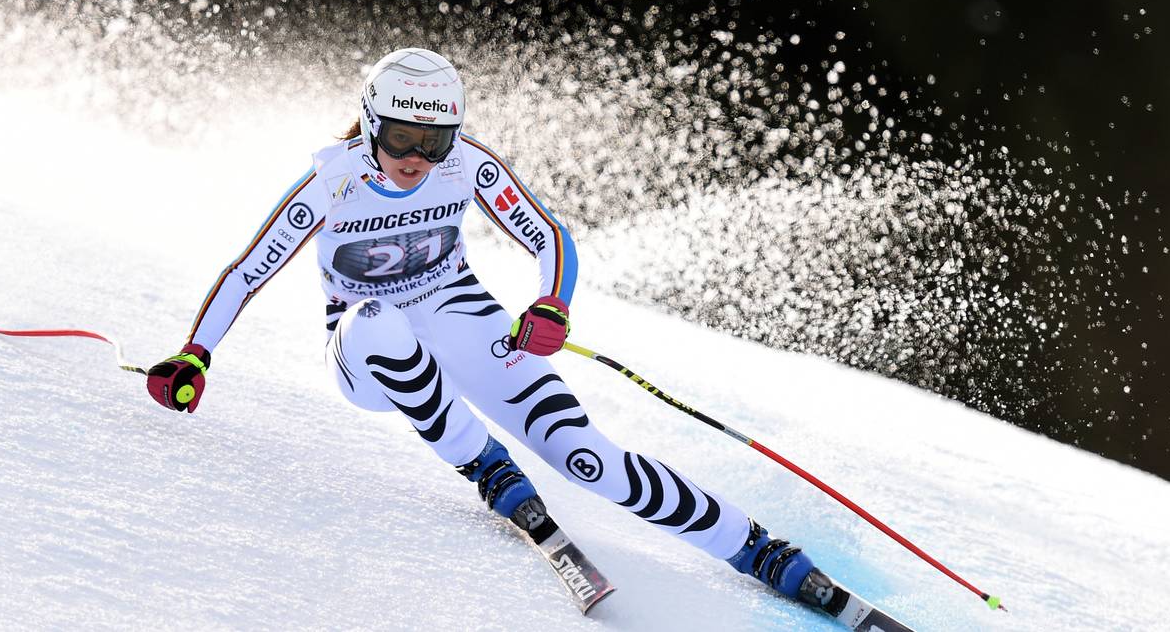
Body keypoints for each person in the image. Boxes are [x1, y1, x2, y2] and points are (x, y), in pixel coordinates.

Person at [144, 47, 836, 611]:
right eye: (400, 137)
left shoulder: (467, 165)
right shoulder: (332, 181)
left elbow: (550, 236)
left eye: (433, 140)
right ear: (368, 123)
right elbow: (247, 271)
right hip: (363, 352)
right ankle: (485, 465)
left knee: (586, 458)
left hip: (459, 318)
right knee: (380, 319)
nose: (416, 156)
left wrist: (552, 305)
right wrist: (196, 354)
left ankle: (757, 550)